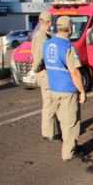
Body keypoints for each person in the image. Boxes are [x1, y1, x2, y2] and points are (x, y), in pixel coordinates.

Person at [42, 16, 87, 162]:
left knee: (62, 119)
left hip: (53, 88)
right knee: (71, 122)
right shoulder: (68, 47)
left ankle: (68, 145)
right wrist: (82, 91)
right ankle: (69, 153)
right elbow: (74, 72)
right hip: (67, 90)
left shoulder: (48, 44)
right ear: (70, 28)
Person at [31, 11, 62, 142]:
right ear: (49, 22)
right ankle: (48, 134)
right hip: (44, 72)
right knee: (49, 103)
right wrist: (37, 69)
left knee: (52, 102)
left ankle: (53, 131)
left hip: (46, 72)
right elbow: (39, 57)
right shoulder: (41, 36)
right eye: (52, 22)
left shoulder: (45, 35)